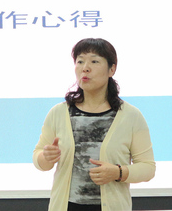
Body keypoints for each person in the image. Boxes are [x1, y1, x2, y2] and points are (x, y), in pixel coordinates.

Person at [33, 38, 155, 211]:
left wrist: (118, 172)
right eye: (80, 61)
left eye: (94, 61)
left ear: (112, 69)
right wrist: (45, 157)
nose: (85, 68)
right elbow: (39, 159)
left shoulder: (130, 116)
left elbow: (148, 168)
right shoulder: (58, 113)